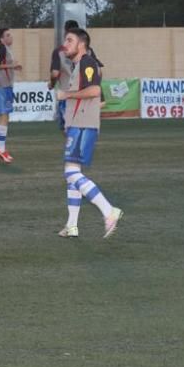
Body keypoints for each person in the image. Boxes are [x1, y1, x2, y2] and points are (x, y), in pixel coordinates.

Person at [55, 27, 123, 239]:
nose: (65, 44)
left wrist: (66, 94)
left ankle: (108, 210)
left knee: (71, 173)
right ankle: (72, 226)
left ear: (81, 44)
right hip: (79, 124)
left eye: (69, 40)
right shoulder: (78, 65)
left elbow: (94, 91)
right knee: (72, 175)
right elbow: (98, 98)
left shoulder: (86, 62)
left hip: (83, 125)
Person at [0, 28, 22, 163]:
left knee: (3, 115)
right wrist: (11, 65)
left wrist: (12, 67)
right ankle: (1, 149)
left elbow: (2, 65)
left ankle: (0, 148)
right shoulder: (1, 49)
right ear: (1, 39)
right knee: (4, 115)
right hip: (1, 87)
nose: (11, 37)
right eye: (8, 35)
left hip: (6, 86)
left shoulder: (6, 49)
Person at [49, 20, 80, 132]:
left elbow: (55, 73)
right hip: (85, 95)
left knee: (68, 129)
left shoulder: (59, 52)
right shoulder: (88, 50)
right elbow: (98, 72)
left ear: (65, 32)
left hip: (67, 95)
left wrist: (51, 84)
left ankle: (73, 148)